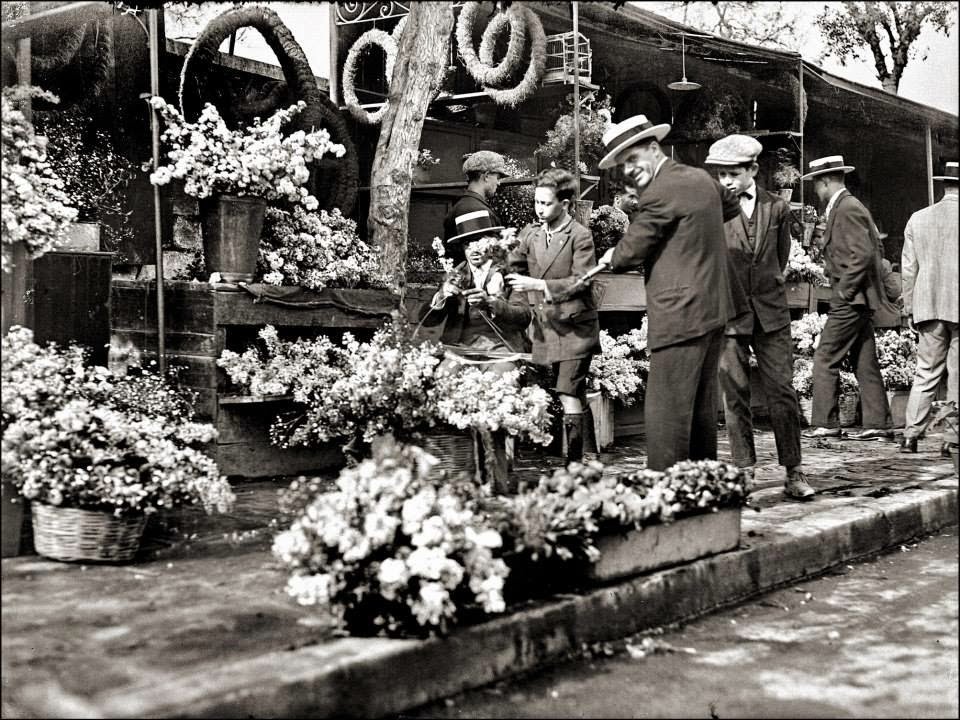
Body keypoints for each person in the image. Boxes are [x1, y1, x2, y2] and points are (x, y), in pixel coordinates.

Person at [595, 115, 741, 472]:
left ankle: (667, 490)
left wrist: (612, 254)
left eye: (632, 159)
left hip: (679, 312)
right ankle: (703, 487)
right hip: (712, 308)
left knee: (666, 411)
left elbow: (631, 250)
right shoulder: (700, 179)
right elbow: (732, 206)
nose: (629, 170)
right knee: (700, 411)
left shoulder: (660, 192)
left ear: (653, 148)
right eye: (622, 166)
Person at [704, 134, 814, 500]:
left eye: (733, 174)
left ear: (753, 169)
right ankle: (744, 473)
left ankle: (794, 472)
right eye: (720, 175)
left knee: (782, 392)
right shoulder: (711, 211)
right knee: (735, 395)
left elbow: (780, 260)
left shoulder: (777, 209)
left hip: (771, 314)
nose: (727, 182)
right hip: (730, 314)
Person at [419, 213, 532, 494]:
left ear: (491, 243)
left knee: (495, 398)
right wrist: (442, 295)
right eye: (468, 243)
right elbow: (429, 319)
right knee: (439, 388)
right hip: (461, 352)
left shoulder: (509, 273)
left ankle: (498, 481)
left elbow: (524, 315)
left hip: (500, 353)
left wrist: (494, 303)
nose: (475, 248)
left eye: (480, 241)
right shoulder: (456, 273)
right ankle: (457, 477)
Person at [506, 168, 601, 464]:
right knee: (553, 391)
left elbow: (583, 280)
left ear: (566, 204)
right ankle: (588, 457)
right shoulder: (530, 234)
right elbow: (516, 273)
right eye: (536, 202)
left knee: (567, 390)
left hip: (575, 326)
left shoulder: (580, 236)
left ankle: (574, 465)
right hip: (543, 326)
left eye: (546, 203)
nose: (539, 209)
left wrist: (540, 285)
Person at [800, 155, 896, 440]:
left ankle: (826, 423)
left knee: (825, 357)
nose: (816, 191)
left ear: (825, 181)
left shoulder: (846, 208)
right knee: (865, 361)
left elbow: (864, 254)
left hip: (852, 299)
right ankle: (878, 424)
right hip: (860, 299)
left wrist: (844, 290)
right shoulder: (847, 206)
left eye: (816, 185)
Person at [898, 160, 959, 453]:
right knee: (958, 374)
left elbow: (908, 269)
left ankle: (911, 435)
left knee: (926, 371)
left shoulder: (918, 218)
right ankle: (952, 439)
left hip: (928, 303)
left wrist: (909, 306)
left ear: (944, 184)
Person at [443, 150, 510, 265]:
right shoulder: (472, 210)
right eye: (498, 177)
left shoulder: (467, 204)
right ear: (487, 176)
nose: (498, 183)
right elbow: (481, 259)